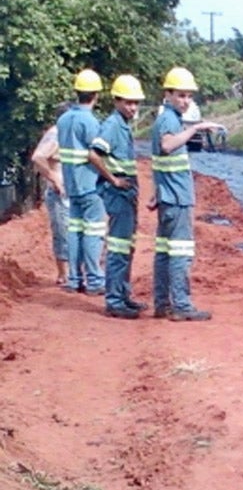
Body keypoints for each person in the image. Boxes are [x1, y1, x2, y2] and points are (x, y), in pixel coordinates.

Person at [150, 66, 222, 321]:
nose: (186, 101)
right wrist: (196, 128)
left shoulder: (166, 118)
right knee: (180, 251)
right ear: (167, 94)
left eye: (189, 96)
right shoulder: (169, 120)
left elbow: (160, 160)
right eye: (181, 95)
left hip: (168, 197)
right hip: (177, 200)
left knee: (164, 252)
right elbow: (167, 146)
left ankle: (162, 303)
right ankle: (181, 305)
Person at [56, 69, 129, 295]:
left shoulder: (63, 119)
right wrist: (113, 179)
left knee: (75, 231)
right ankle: (95, 281)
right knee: (93, 232)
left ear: (77, 92)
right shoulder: (90, 122)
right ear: (96, 95)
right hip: (90, 185)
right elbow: (95, 155)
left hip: (71, 184)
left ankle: (74, 279)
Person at [90, 74, 148, 319]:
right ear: (116, 101)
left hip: (126, 193)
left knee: (126, 247)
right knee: (118, 246)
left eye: (136, 103)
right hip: (118, 193)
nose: (132, 107)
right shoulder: (113, 125)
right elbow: (93, 154)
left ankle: (123, 295)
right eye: (128, 102)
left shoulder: (122, 124)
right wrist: (113, 180)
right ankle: (114, 300)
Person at [30, 103, 71, 286]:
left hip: (72, 193)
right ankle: (64, 275)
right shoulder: (56, 134)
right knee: (62, 232)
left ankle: (75, 274)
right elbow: (38, 157)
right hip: (59, 194)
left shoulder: (68, 134)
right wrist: (54, 178)